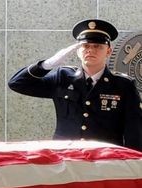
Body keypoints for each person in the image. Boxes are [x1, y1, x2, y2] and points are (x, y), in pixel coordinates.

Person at [8, 19, 142, 151]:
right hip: (65, 158)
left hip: (104, 160)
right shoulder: (63, 77)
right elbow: (17, 83)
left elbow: (134, 131)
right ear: (78, 51)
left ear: (108, 51)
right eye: (86, 46)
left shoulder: (123, 85)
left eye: (97, 46)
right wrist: (46, 65)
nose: (91, 50)